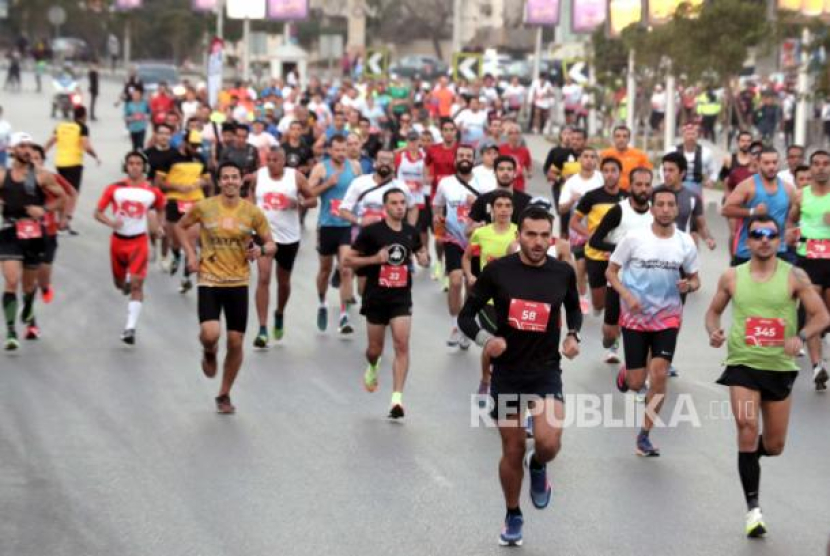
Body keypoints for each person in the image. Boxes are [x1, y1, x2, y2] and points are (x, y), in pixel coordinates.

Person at [458, 206, 582, 548]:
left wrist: (573, 335)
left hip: (545, 371)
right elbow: (466, 317)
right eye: (531, 234)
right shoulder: (498, 272)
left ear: (553, 238)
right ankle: (513, 513)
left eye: (545, 235)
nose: (538, 242)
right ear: (519, 236)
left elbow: (573, 307)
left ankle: (539, 466)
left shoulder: (562, 273)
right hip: (509, 374)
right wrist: (487, 341)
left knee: (548, 442)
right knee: (512, 448)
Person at [705, 214, 829, 538]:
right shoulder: (732, 277)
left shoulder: (795, 276)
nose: (764, 240)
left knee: (773, 445)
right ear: (748, 240)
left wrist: (801, 336)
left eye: (770, 235)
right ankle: (753, 510)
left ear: (778, 240)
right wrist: (713, 332)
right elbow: (712, 312)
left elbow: (821, 316)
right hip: (742, 366)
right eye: (757, 234)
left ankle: (748, 457)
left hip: (779, 369)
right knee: (747, 428)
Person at [175, 161, 277, 414]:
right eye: (226, 177)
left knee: (235, 342)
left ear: (241, 181)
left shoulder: (253, 212)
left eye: (235, 177)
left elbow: (271, 244)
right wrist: (190, 255)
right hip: (209, 279)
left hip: (238, 282)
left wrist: (261, 250)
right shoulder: (205, 208)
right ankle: (209, 350)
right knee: (211, 333)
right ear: (219, 182)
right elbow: (180, 226)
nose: (230, 181)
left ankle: (224, 393)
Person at [608, 187, 700, 456]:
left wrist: (689, 286)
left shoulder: (685, 243)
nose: (665, 209)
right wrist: (626, 295)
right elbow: (611, 271)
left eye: (670, 204)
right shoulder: (634, 238)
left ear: (676, 209)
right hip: (635, 317)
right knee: (638, 382)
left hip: (667, 318)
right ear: (652, 208)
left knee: (659, 374)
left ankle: (644, 435)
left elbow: (696, 279)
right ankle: (628, 375)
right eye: (659, 204)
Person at [343, 188, 428, 418]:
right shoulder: (371, 232)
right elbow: (347, 260)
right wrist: (375, 259)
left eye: (403, 203)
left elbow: (421, 252)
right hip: (376, 296)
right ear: (385, 207)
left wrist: (424, 258)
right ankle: (372, 366)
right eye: (394, 203)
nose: (400, 207)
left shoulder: (411, 232)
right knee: (374, 350)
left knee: (401, 344)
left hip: (401, 297)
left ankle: (396, 400)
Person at [0, 133, 66, 349]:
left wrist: (44, 209)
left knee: (29, 286)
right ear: (12, 150)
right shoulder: (3, 176)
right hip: (10, 232)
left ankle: (28, 306)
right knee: (11, 281)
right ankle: (11, 332)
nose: (27, 150)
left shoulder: (42, 176)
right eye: (22, 146)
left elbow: (62, 197)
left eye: (29, 146)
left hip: (35, 234)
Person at [94, 151, 165, 344]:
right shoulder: (114, 189)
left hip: (138, 242)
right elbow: (97, 213)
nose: (134, 167)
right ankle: (123, 279)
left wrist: (159, 226)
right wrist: (110, 222)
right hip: (118, 241)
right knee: (119, 285)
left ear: (144, 167)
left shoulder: (152, 192)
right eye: (131, 163)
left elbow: (161, 208)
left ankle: (130, 328)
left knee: (136, 284)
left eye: (138, 163)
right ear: (125, 166)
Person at [589, 168, 655, 368]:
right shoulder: (619, 210)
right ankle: (611, 341)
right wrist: (620, 249)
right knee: (610, 331)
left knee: (648, 328)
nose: (643, 189)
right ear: (631, 186)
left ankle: (650, 365)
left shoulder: (656, 212)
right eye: (638, 185)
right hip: (619, 279)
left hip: (648, 282)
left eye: (647, 185)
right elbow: (595, 240)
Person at [250, 147, 316, 347]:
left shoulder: (295, 177)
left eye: (276, 160)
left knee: (283, 281)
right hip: (263, 235)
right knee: (263, 278)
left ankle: (279, 312)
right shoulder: (258, 176)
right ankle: (262, 329)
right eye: (268, 159)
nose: (271, 163)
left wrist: (297, 202)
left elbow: (313, 200)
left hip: (289, 237)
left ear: (284, 161)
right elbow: (250, 197)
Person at [570, 157, 626, 361]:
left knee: (616, 302)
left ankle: (613, 345)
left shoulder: (626, 198)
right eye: (606, 170)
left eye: (614, 170)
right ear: (601, 173)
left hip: (618, 256)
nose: (610, 174)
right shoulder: (592, 196)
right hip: (595, 254)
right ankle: (600, 309)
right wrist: (590, 237)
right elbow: (574, 222)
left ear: (620, 173)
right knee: (600, 303)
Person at [463, 190, 518, 397]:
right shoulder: (482, 233)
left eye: (507, 205)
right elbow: (467, 257)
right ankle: (486, 378)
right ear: (492, 209)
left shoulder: (519, 233)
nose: (503, 209)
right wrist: (469, 276)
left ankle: (503, 384)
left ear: (512, 209)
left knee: (510, 346)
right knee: (494, 342)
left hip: (514, 300)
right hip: (489, 300)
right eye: (499, 206)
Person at [433, 144, 488, 348]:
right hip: (453, 238)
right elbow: (437, 206)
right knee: (455, 281)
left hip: (476, 242)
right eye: (461, 155)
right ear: (455, 160)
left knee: (470, 285)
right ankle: (455, 325)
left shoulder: (484, 183)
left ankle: (466, 326)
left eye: (468, 155)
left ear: (474, 159)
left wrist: (479, 202)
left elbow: (492, 210)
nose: (465, 158)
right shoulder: (445, 183)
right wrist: (439, 231)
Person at [307, 135, 361, 333]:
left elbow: (359, 192)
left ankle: (344, 316)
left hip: (346, 225)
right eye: (336, 149)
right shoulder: (321, 168)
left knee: (346, 269)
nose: (340, 153)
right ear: (330, 150)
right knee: (325, 270)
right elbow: (309, 193)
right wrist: (327, 184)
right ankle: (322, 303)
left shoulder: (354, 167)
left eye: (343, 149)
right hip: (327, 225)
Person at [787, 150, 830, 390]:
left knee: (826, 315)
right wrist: (792, 233)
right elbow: (791, 220)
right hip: (809, 260)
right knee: (815, 314)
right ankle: (817, 367)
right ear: (810, 168)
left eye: (826, 164)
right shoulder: (801, 195)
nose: (821, 168)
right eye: (816, 164)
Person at [160, 130, 213, 292]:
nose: (195, 149)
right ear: (184, 142)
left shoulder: (200, 158)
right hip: (175, 201)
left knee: (190, 242)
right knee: (175, 241)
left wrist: (199, 184)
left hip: (195, 202)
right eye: (193, 145)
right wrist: (178, 187)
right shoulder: (170, 158)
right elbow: (160, 183)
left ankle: (185, 278)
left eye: (198, 146)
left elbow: (208, 180)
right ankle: (176, 255)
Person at [723, 147, 795, 266]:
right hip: (748, 252)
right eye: (766, 163)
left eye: (774, 162)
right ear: (758, 164)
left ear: (780, 163)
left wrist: (791, 230)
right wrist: (752, 212)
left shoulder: (788, 189)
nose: (771, 166)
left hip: (778, 251)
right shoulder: (748, 185)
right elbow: (726, 210)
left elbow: (793, 217)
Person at [28, 144, 77, 306]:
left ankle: (45, 287)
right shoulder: (17, 179)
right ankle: (29, 300)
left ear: (43, 161)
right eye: (30, 158)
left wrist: (66, 216)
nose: (33, 162)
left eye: (37, 158)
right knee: (28, 272)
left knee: (43, 275)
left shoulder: (52, 178)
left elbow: (71, 193)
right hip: (26, 233)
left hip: (48, 231)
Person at [557, 147, 603, 311]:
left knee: (597, 268)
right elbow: (561, 209)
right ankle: (583, 296)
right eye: (586, 156)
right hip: (577, 231)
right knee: (580, 267)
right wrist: (571, 200)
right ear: (580, 160)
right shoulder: (571, 182)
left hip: (599, 231)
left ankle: (598, 297)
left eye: (593, 157)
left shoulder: (601, 180)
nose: (589, 160)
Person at [43, 105, 101, 235]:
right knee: (72, 194)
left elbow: (50, 141)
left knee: (62, 192)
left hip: (60, 164)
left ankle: (59, 221)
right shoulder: (82, 127)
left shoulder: (61, 126)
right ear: (84, 116)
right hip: (74, 164)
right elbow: (86, 146)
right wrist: (95, 156)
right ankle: (65, 223)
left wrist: (42, 154)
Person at [425, 118, 460, 280]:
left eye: (451, 129)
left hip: (454, 200)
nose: (448, 132)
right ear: (441, 132)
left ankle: (449, 267)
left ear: (455, 131)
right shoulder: (433, 149)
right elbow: (426, 164)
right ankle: (439, 262)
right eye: (445, 129)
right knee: (439, 238)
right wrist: (428, 177)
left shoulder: (460, 150)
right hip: (438, 200)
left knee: (452, 236)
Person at [668, 123, 718, 198]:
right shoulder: (672, 151)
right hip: (676, 187)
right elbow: (663, 169)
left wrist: (711, 181)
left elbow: (714, 170)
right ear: (683, 135)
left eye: (693, 134)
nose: (690, 137)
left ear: (697, 135)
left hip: (697, 187)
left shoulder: (706, 152)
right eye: (688, 134)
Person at [600, 125, 651, 192]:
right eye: (618, 136)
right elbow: (598, 175)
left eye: (624, 136)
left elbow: (647, 175)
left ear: (629, 139)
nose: (621, 139)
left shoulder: (640, 155)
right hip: (610, 192)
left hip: (632, 193)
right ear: (613, 138)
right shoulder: (605, 154)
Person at [498, 123, 532, 193]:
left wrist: (527, 173)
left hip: (519, 186)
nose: (514, 136)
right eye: (511, 133)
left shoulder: (525, 151)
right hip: (503, 185)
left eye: (517, 133)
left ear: (520, 135)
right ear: (507, 135)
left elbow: (530, 170)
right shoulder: (501, 149)